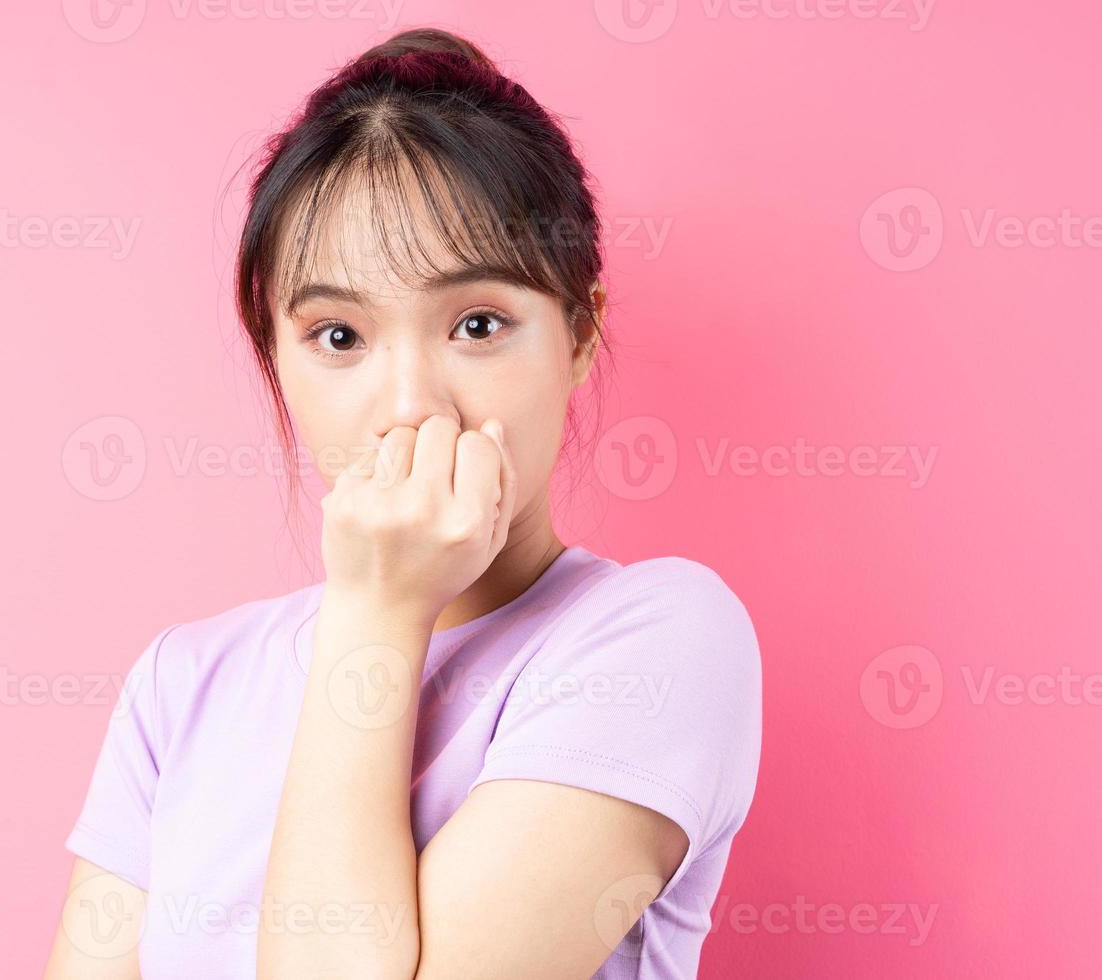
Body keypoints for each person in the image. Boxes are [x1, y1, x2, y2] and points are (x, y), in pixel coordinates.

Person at [43, 26, 762, 980]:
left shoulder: (659, 639)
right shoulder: (183, 683)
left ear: (579, 335)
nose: (410, 403)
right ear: (276, 357)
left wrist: (377, 610)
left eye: (477, 324)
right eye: (339, 335)